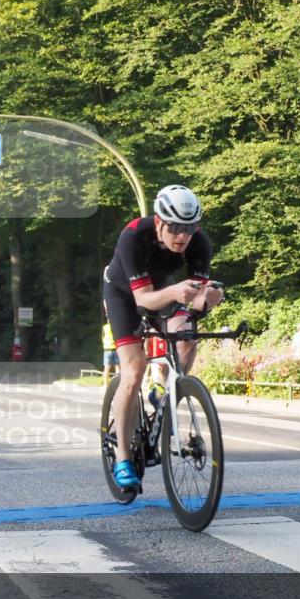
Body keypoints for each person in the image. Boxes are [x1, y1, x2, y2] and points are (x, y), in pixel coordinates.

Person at [102, 184, 224, 492]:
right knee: (133, 371)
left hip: (163, 290)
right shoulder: (133, 236)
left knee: (187, 337)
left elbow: (193, 303)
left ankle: (163, 397)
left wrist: (208, 298)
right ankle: (123, 458)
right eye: (174, 228)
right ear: (159, 222)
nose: (182, 236)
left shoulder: (200, 244)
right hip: (123, 295)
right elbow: (142, 300)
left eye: (189, 228)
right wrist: (176, 291)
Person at [101, 319, 119, 385]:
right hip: (115, 348)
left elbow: (102, 337)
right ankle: (117, 384)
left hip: (107, 349)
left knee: (106, 368)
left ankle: (105, 384)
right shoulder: (116, 326)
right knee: (117, 367)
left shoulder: (104, 327)